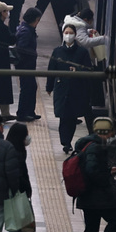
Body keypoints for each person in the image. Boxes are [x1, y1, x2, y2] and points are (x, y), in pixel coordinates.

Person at [72, 117, 116, 232]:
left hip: (88, 195)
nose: (112, 136)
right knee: (115, 220)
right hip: (97, 196)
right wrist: (105, 176)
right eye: (111, 132)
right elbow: (91, 170)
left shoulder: (89, 143)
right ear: (105, 131)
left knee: (91, 228)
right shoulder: (96, 147)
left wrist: (107, 171)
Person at [46, 18, 95, 152]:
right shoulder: (57, 51)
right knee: (63, 116)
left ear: (75, 35)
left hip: (76, 89)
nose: (68, 35)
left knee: (72, 117)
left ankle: (67, 141)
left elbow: (88, 70)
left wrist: (77, 71)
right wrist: (49, 87)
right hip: (61, 89)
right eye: (66, 32)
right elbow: (51, 69)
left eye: (70, 33)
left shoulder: (82, 52)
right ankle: (65, 142)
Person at [0, 123, 33, 232]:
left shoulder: (12, 148)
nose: (28, 138)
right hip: (16, 194)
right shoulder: (16, 152)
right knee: (16, 229)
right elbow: (17, 176)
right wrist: (24, 190)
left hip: (15, 193)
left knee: (21, 229)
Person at [13, 7, 41, 121]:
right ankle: (22, 113)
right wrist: (33, 54)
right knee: (26, 88)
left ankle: (30, 111)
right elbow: (21, 49)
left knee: (32, 87)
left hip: (28, 65)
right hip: (25, 65)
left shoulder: (26, 29)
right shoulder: (26, 31)